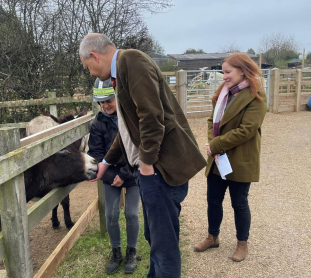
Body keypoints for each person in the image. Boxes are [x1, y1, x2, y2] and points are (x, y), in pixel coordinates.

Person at [79, 33, 206, 278]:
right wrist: (106, 162)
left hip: (159, 170)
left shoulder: (131, 61)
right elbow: (128, 129)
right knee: (154, 238)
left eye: (88, 68)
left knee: (164, 245)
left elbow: (151, 117)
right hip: (151, 171)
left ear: (94, 56)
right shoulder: (121, 72)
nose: (91, 74)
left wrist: (147, 164)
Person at [194, 52, 267, 262]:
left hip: (239, 159)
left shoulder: (256, 97)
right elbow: (211, 121)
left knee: (239, 203)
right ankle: (212, 236)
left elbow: (247, 130)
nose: (224, 76)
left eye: (228, 72)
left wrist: (215, 144)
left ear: (242, 71)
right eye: (223, 72)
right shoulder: (223, 93)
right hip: (218, 159)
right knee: (213, 201)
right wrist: (213, 142)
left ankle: (242, 243)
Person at [88, 78, 140, 275]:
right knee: (110, 214)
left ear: (117, 97)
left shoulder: (131, 118)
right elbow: (96, 155)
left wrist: (124, 174)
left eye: (109, 100)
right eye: (101, 102)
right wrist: (112, 177)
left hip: (133, 172)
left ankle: (131, 251)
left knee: (132, 213)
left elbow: (137, 149)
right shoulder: (98, 123)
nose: (105, 105)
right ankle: (116, 251)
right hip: (110, 175)